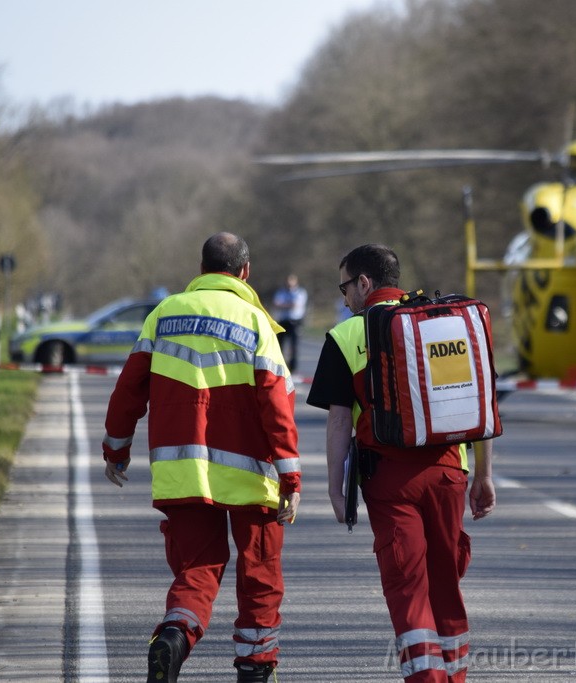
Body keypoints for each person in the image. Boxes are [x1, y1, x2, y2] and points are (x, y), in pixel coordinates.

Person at [101, 232, 302, 683]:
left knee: (196, 569)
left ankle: (173, 636)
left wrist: (116, 449)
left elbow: (128, 391)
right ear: (244, 272)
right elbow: (277, 406)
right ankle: (255, 668)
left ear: (202, 268)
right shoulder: (255, 322)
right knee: (260, 574)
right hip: (252, 477)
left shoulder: (164, 313)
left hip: (183, 473)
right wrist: (291, 478)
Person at [306, 243, 497, 683]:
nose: (344, 299)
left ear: (365, 283)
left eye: (345, 288)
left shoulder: (348, 335)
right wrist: (483, 476)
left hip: (390, 479)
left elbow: (338, 424)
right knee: (445, 584)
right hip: (451, 470)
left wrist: (336, 490)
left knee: (407, 587)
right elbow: (480, 405)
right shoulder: (444, 323)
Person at [272, 273, 309, 372]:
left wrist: (284, 305)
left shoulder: (300, 292)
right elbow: (276, 303)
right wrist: (288, 304)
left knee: (294, 345)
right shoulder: (281, 292)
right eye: (288, 281)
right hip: (283, 321)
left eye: (291, 281)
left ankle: (292, 367)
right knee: (280, 345)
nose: (289, 283)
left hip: (295, 322)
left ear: (295, 281)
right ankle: (279, 365)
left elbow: (296, 305)